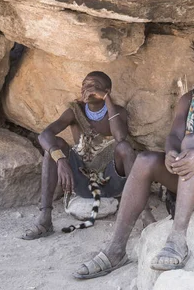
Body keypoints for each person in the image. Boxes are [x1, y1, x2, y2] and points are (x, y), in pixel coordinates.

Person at [73, 31, 194, 279]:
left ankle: (178, 239)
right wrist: (170, 153)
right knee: (145, 160)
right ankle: (115, 250)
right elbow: (174, 136)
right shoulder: (189, 98)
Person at [21, 71, 147, 240]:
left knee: (124, 147)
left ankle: (145, 213)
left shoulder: (117, 112)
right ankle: (45, 218)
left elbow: (120, 137)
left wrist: (107, 100)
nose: (86, 89)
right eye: (84, 85)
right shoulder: (75, 111)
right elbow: (44, 135)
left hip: (111, 180)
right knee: (53, 146)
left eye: (93, 85)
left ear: (106, 90)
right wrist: (61, 160)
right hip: (82, 180)